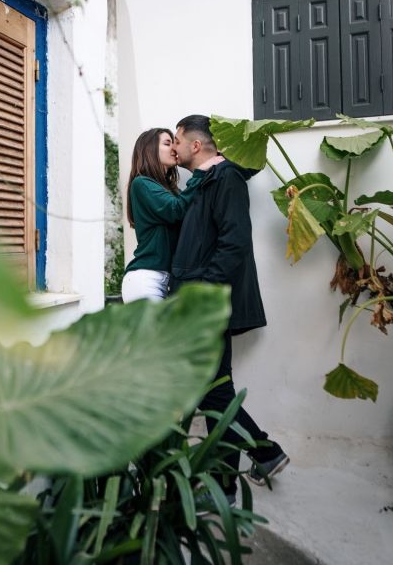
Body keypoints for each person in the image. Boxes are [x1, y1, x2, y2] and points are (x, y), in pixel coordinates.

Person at [169, 114, 289, 501]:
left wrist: (203, 291)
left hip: (210, 302)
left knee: (214, 392)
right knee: (216, 390)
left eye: (177, 139)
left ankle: (260, 456)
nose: (174, 146)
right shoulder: (205, 183)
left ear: (196, 145)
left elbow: (234, 243)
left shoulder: (226, 179)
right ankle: (241, 472)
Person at [121, 127, 218, 303]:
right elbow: (176, 210)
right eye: (167, 143)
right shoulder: (142, 183)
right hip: (146, 278)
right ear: (149, 150)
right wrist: (201, 171)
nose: (174, 148)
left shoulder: (172, 190)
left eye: (174, 143)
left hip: (167, 279)